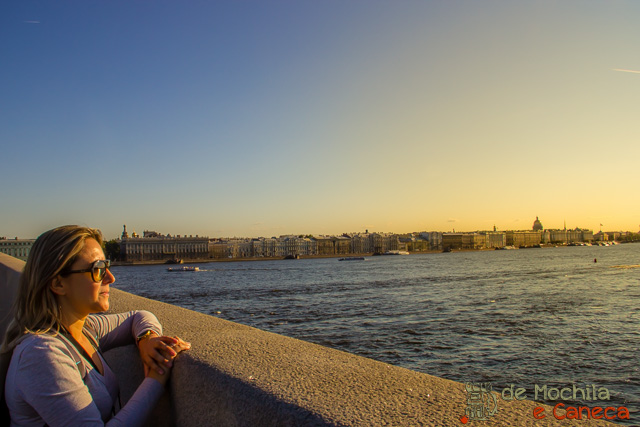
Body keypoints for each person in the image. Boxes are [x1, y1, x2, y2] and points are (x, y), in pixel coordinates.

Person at [1, 225, 190, 426]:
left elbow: (139, 316)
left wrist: (147, 339)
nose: (111, 278)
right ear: (58, 284)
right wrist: (157, 375)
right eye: (98, 270)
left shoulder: (82, 328)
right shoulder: (41, 354)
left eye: (107, 266)